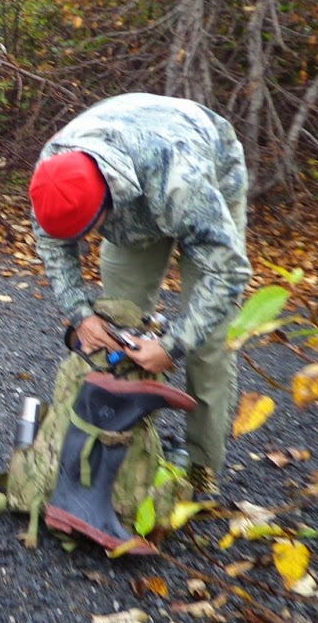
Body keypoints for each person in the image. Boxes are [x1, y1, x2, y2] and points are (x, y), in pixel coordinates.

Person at [28, 93, 250, 498]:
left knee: (209, 346)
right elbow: (52, 245)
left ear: (105, 205)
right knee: (117, 328)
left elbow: (228, 272)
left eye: (87, 232)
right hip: (136, 198)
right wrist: (82, 315)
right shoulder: (53, 174)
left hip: (203, 173)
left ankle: (200, 468)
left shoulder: (181, 181)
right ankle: (124, 455)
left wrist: (172, 346)